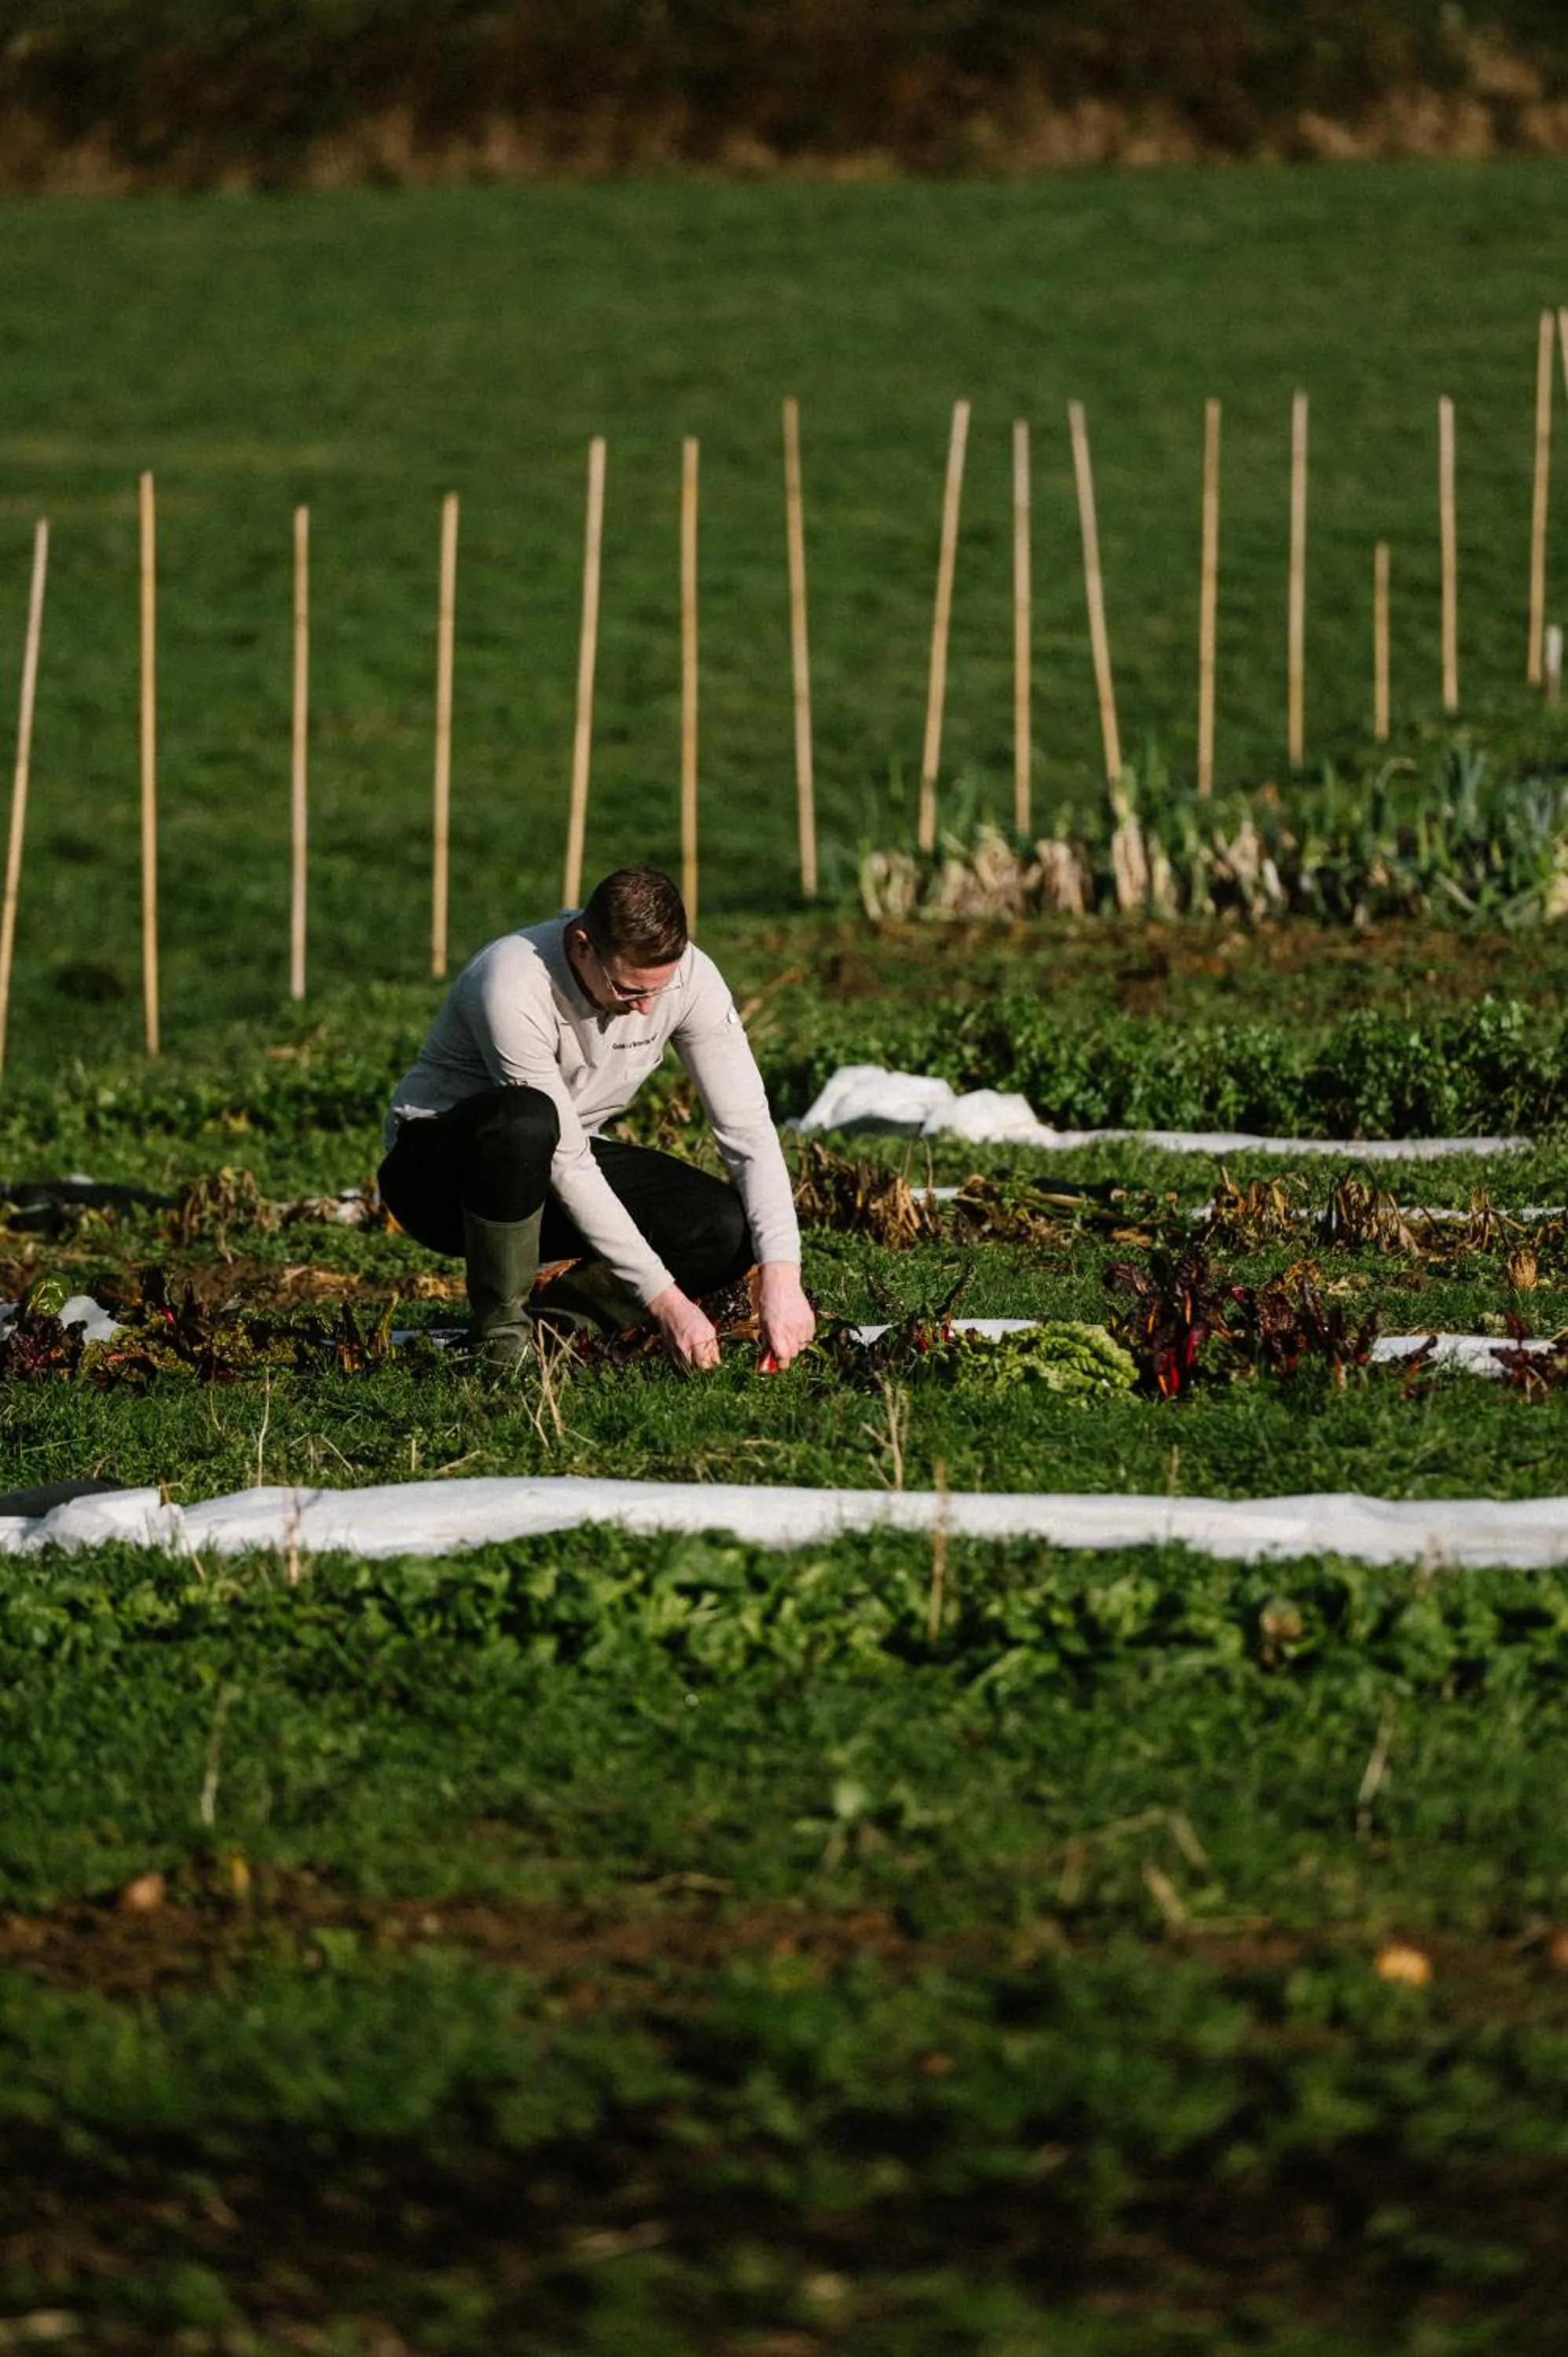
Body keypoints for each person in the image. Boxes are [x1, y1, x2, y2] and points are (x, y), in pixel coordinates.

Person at [378, 866, 815, 1371]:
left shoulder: (690, 978)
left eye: (659, 989)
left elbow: (748, 1129)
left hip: (558, 1162)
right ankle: (500, 1340)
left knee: (723, 1228)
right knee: (525, 1120)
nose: (646, 1007)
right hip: (441, 1181)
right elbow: (566, 1162)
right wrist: (667, 1302)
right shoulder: (511, 982)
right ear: (583, 945)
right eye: (629, 990)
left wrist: (782, 1274)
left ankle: (557, 1328)